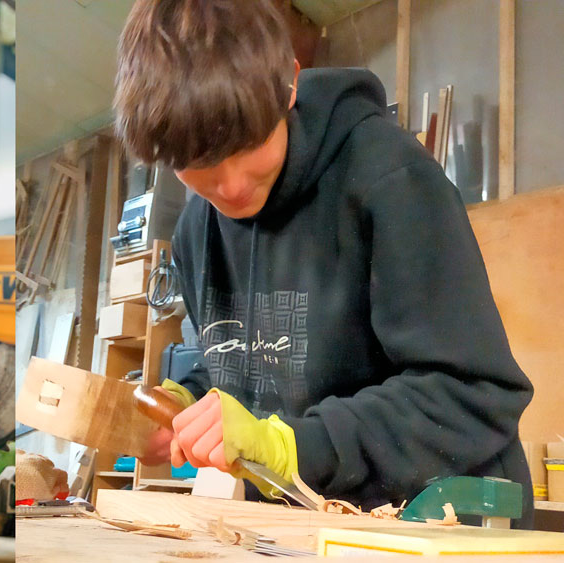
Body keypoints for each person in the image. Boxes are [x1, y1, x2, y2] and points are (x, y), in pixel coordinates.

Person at [114, 0, 534, 527]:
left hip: (445, 523)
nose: (233, 186)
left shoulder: (391, 180)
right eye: (197, 166)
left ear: (288, 84)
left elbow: (473, 393)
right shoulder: (196, 230)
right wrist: (188, 403)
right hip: (309, 525)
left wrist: (296, 446)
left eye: (250, 144)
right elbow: (246, 359)